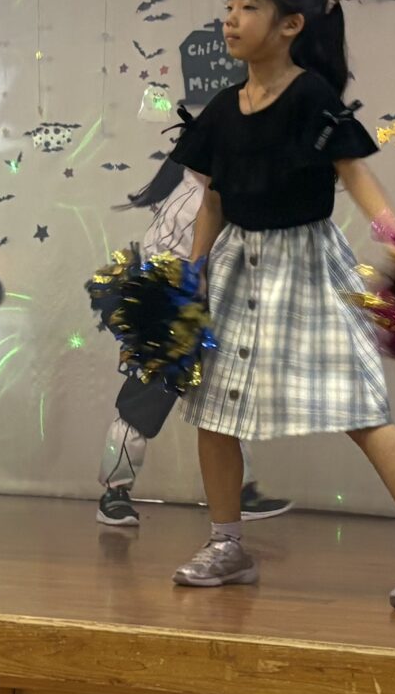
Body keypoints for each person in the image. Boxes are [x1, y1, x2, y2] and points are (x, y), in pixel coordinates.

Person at [167, 0, 395, 611]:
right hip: (236, 271)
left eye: (249, 7)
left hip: (307, 268)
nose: (231, 19)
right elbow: (213, 200)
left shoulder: (311, 97)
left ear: (291, 25)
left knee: (361, 408)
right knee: (213, 412)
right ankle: (228, 545)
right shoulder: (222, 109)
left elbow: (356, 175)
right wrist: (192, 272)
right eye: (229, 6)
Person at [97, 158, 290, 529]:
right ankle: (114, 493)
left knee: (223, 404)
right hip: (170, 308)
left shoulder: (219, 190)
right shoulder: (195, 197)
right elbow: (164, 260)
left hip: (203, 307)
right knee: (143, 404)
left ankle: (240, 492)